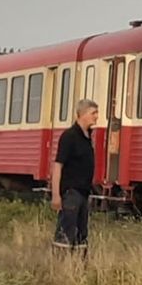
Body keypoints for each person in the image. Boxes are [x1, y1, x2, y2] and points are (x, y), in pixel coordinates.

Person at [51, 99, 99, 252]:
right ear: (82, 114)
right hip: (71, 193)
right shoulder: (69, 136)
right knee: (66, 231)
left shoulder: (87, 137)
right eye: (93, 113)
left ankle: (79, 267)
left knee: (81, 234)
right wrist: (56, 195)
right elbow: (58, 166)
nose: (97, 117)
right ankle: (60, 266)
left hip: (84, 193)